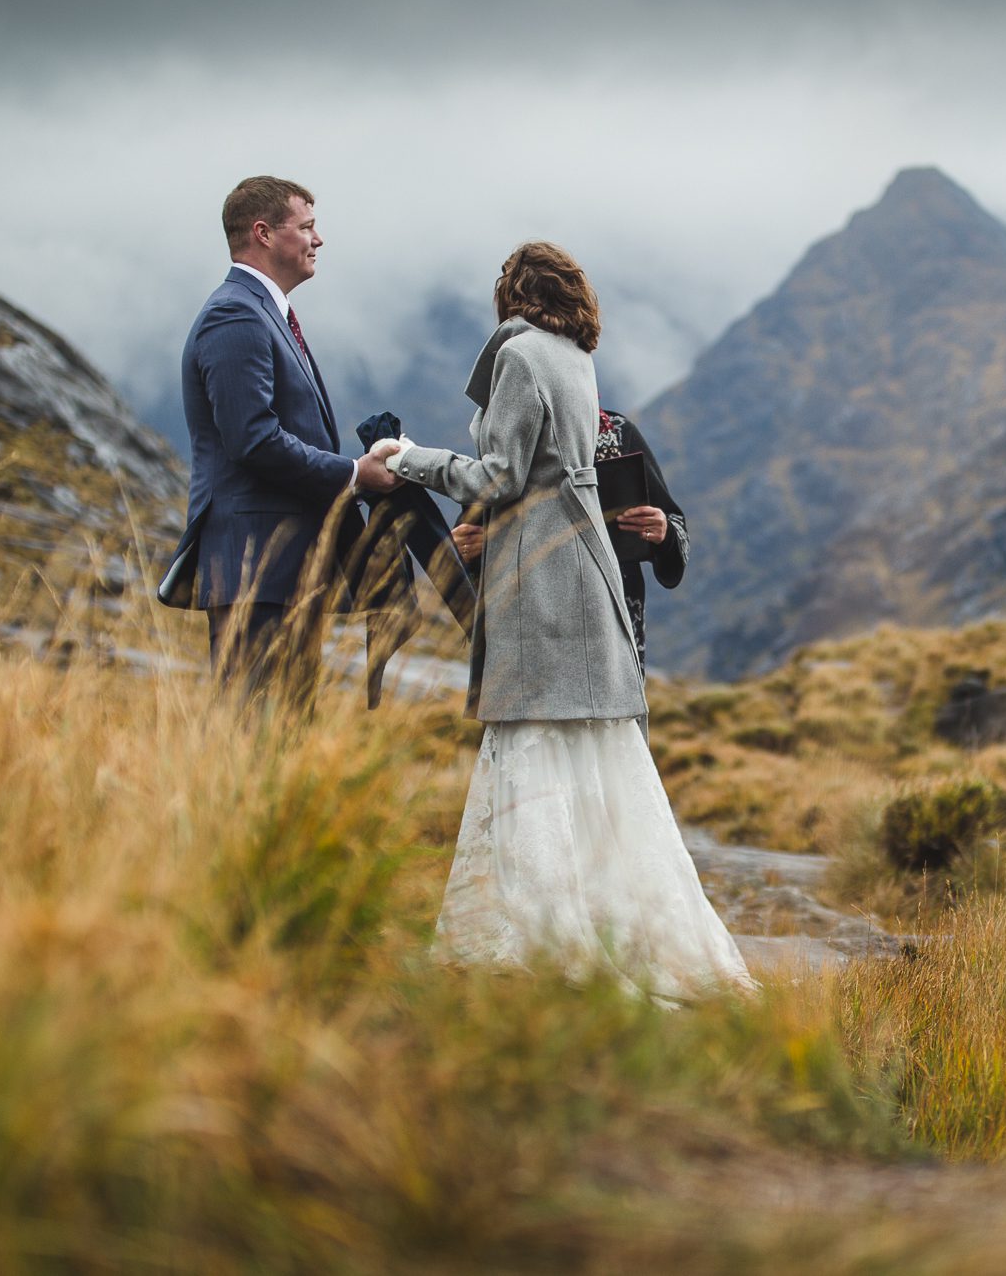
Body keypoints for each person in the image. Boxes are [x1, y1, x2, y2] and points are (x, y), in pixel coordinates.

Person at [368, 241, 754, 1001]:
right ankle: (623, 929)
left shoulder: (518, 356)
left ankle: (544, 941)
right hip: (587, 574)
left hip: (539, 577)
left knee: (532, 744)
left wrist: (410, 458)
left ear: (510, 297)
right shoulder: (578, 360)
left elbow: (500, 476)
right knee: (597, 759)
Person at [158, 176, 399, 700]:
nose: (319, 240)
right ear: (264, 233)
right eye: (307, 226)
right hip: (254, 569)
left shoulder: (267, 313)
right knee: (258, 737)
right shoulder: (235, 313)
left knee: (281, 739)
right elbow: (254, 440)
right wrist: (356, 475)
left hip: (282, 573)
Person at [450, 406, 686, 670]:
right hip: (526, 631)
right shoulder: (506, 436)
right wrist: (461, 550)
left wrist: (663, 531)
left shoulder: (617, 433)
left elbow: (673, 522)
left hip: (609, 628)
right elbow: (470, 532)